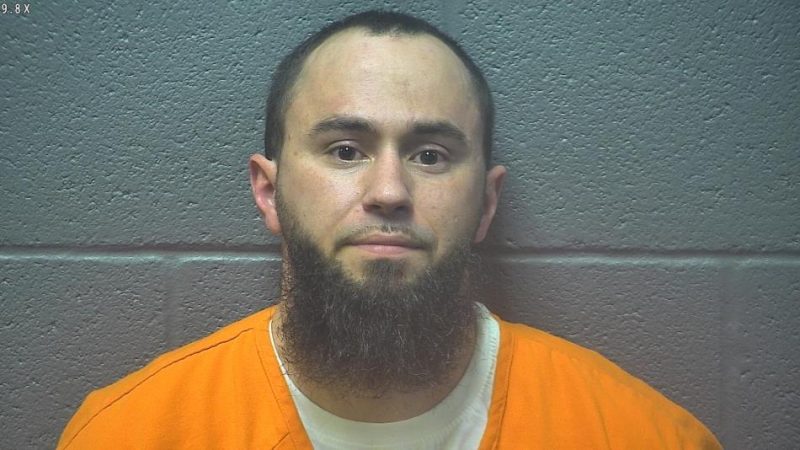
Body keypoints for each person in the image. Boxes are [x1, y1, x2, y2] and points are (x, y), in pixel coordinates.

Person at [58, 10, 722, 450]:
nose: (389, 192)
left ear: (486, 204)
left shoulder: (642, 435)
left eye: (430, 155)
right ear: (268, 191)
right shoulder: (128, 434)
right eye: (345, 150)